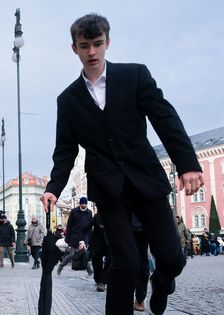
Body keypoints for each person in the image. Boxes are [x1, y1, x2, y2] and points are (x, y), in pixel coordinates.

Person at [40, 13, 204, 315]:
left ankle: (162, 282)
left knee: (172, 258)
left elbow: (165, 119)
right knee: (125, 262)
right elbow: (64, 150)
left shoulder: (135, 76)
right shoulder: (68, 100)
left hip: (146, 178)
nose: (92, 52)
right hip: (108, 188)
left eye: (97, 44)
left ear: (107, 43)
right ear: (74, 48)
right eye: (85, 45)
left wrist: (187, 164)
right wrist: (53, 188)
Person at [57, 197, 93, 277]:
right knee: (71, 254)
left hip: (84, 237)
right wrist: (67, 238)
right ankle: (61, 266)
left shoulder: (89, 213)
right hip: (74, 236)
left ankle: (90, 272)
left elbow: (89, 228)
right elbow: (69, 225)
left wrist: (88, 240)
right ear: (80, 204)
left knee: (84, 254)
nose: (84, 205)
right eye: (82, 204)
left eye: (85, 204)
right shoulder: (74, 212)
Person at [87, 212, 110, 292]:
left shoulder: (114, 216)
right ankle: (98, 279)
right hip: (97, 244)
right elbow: (86, 227)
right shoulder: (97, 216)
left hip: (109, 244)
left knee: (109, 262)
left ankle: (102, 281)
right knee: (96, 261)